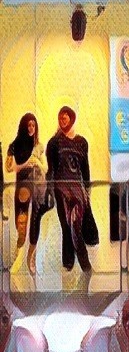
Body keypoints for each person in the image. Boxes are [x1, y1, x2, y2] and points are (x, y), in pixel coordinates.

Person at [46, 106, 98, 272]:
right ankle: (68, 262)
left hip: (77, 189)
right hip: (61, 189)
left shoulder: (82, 142)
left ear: (72, 118)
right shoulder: (54, 142)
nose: (63, 119)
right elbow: (51, 170)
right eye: (60, 117)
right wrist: (49, 191)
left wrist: (87, 191)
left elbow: (85, 168)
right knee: (65, 226)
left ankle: (85, 265)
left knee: (75, 225)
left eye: (66, 116)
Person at [5, 113, 49, 275]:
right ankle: (18, 254)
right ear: (24, 126)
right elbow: (9, 168)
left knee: (35, 220)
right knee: (21, 222)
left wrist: (36, 162)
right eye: (28, 125)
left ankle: (31, 256)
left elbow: (45, 168)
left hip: (38, 185)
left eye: (33, 125)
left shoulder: (39, 146)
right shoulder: (15, 145)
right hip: (23, 184)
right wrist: (24, 164)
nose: (31, 128)